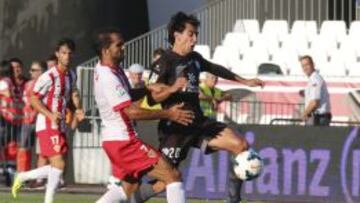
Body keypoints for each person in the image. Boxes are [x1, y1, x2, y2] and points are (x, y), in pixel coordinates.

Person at [133, 11, 264, 203]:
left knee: (241, 145)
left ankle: (232, 200)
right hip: (175, 129)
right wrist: (171, 89)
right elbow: (152, 99)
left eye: (196, 34)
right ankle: (129, 199)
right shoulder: (163, 64)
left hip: (198, 123)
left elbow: (215, 68)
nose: (194, 39)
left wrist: (245, 81)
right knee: (166, 181)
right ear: (177, 35)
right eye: (190, 34)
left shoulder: (194, 58)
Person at [93, 27, 193, 203]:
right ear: (105, 50)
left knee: (129, 187)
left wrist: (147, 89)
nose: (123, 48)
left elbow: (127, 95)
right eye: (119, 45)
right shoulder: (108, 76)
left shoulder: (111, 70)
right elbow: (131, 112)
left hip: (115, 140)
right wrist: (168, 113)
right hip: (124, 142)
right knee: (172, 176)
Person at [11, 38, 77, 203]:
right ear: (57, 55)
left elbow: (70, 96)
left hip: (61, 124)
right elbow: (34, 99)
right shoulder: (49, 76)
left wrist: (78, 110)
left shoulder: (72, 74)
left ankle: (23, 176)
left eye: (69, 53)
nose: (67, 56)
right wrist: (49, 115)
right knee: (59, 164)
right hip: (47, 123)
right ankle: (47, 200)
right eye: (63, 53)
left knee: (60, 166)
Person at [17, 61, 47, 175]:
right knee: (24, 148)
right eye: (31, 70)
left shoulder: (46, 83)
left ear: (42, 71)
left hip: (41, 121)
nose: (30, 72)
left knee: (42, 151)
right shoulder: (28, 84)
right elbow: (26, 102)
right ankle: (22, 175)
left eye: (34, 70)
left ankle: (39, 178)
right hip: (27, 121)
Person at [300, 55, 331, 126]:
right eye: (303, 66)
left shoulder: (315, 79)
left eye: (307, 65)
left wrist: (304, 113)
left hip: (319, 118)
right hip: (317, 117)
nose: (305, 68)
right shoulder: (313, 79)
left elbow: (314, 102)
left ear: (313, 64)